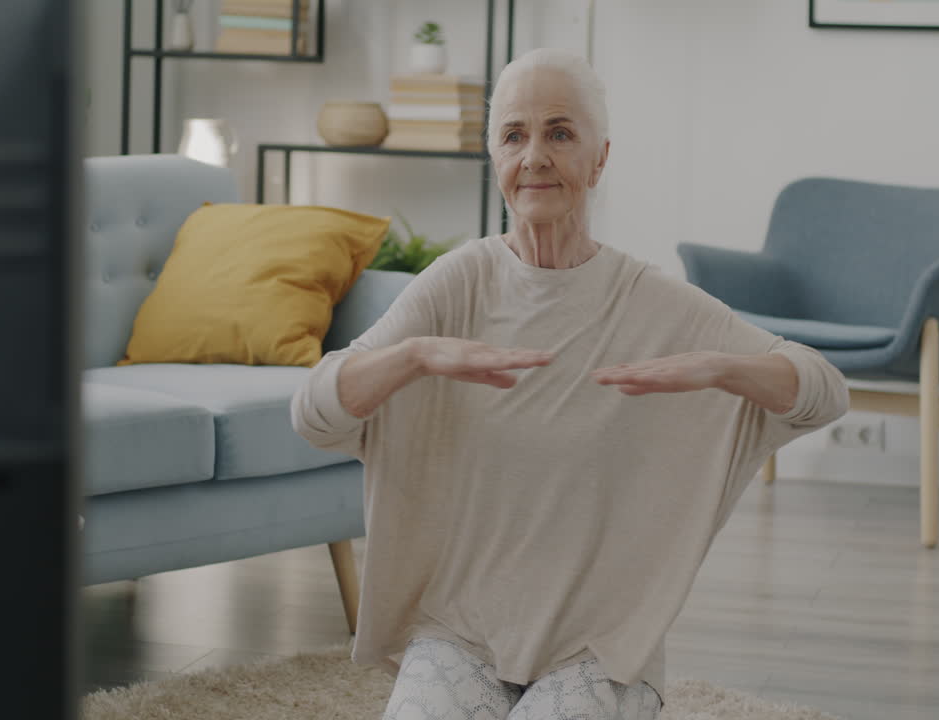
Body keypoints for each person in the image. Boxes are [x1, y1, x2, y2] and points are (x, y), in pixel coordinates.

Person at [292, 47, 849, 720]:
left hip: (600, 647)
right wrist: (413, 356)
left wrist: (720, 367)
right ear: (493, 155)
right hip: (460, 630)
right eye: (514, 136)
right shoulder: (456, 283)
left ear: (600, 157)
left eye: (559, 133)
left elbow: (824, 389)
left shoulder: (651, 300)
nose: (535, 157)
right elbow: (313, 414)